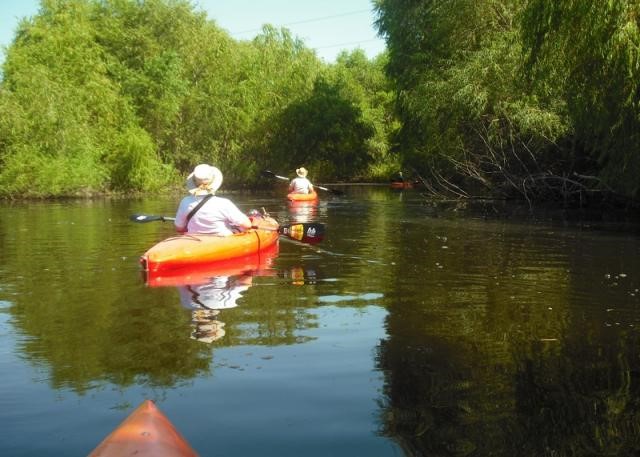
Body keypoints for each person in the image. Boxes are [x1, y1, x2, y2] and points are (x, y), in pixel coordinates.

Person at [175, 164, 252, 235]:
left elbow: (179, 228)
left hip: (194, 241)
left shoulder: (185, 202)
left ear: (194, 183)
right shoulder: (224, 203)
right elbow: (247, 225)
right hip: (222, 241)